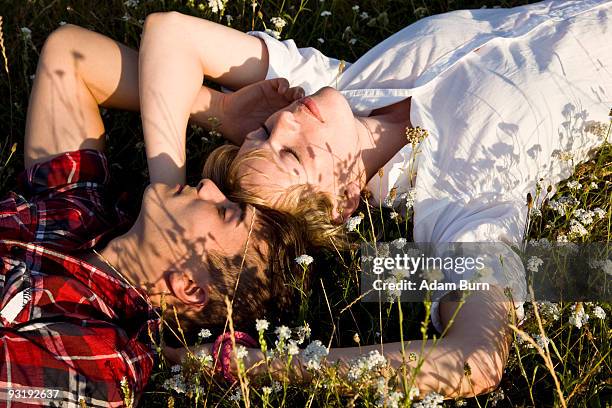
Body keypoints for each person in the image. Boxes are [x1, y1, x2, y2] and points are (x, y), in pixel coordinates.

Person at [137, 0, 612, 399]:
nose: (282, 121)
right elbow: (475, 359)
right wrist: (261, 365)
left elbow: (170, 33)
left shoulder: (335, 86)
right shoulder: (458, 195)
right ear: (342, 204)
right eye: (292, 156)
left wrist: (169, 189)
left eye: (261, 131)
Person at [0, 24, 312, 407]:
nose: (207, 186)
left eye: (224, 212)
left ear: (190, 287)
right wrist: (214, 110)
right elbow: (69, 57)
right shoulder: (84, 211)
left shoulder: (101, 359)